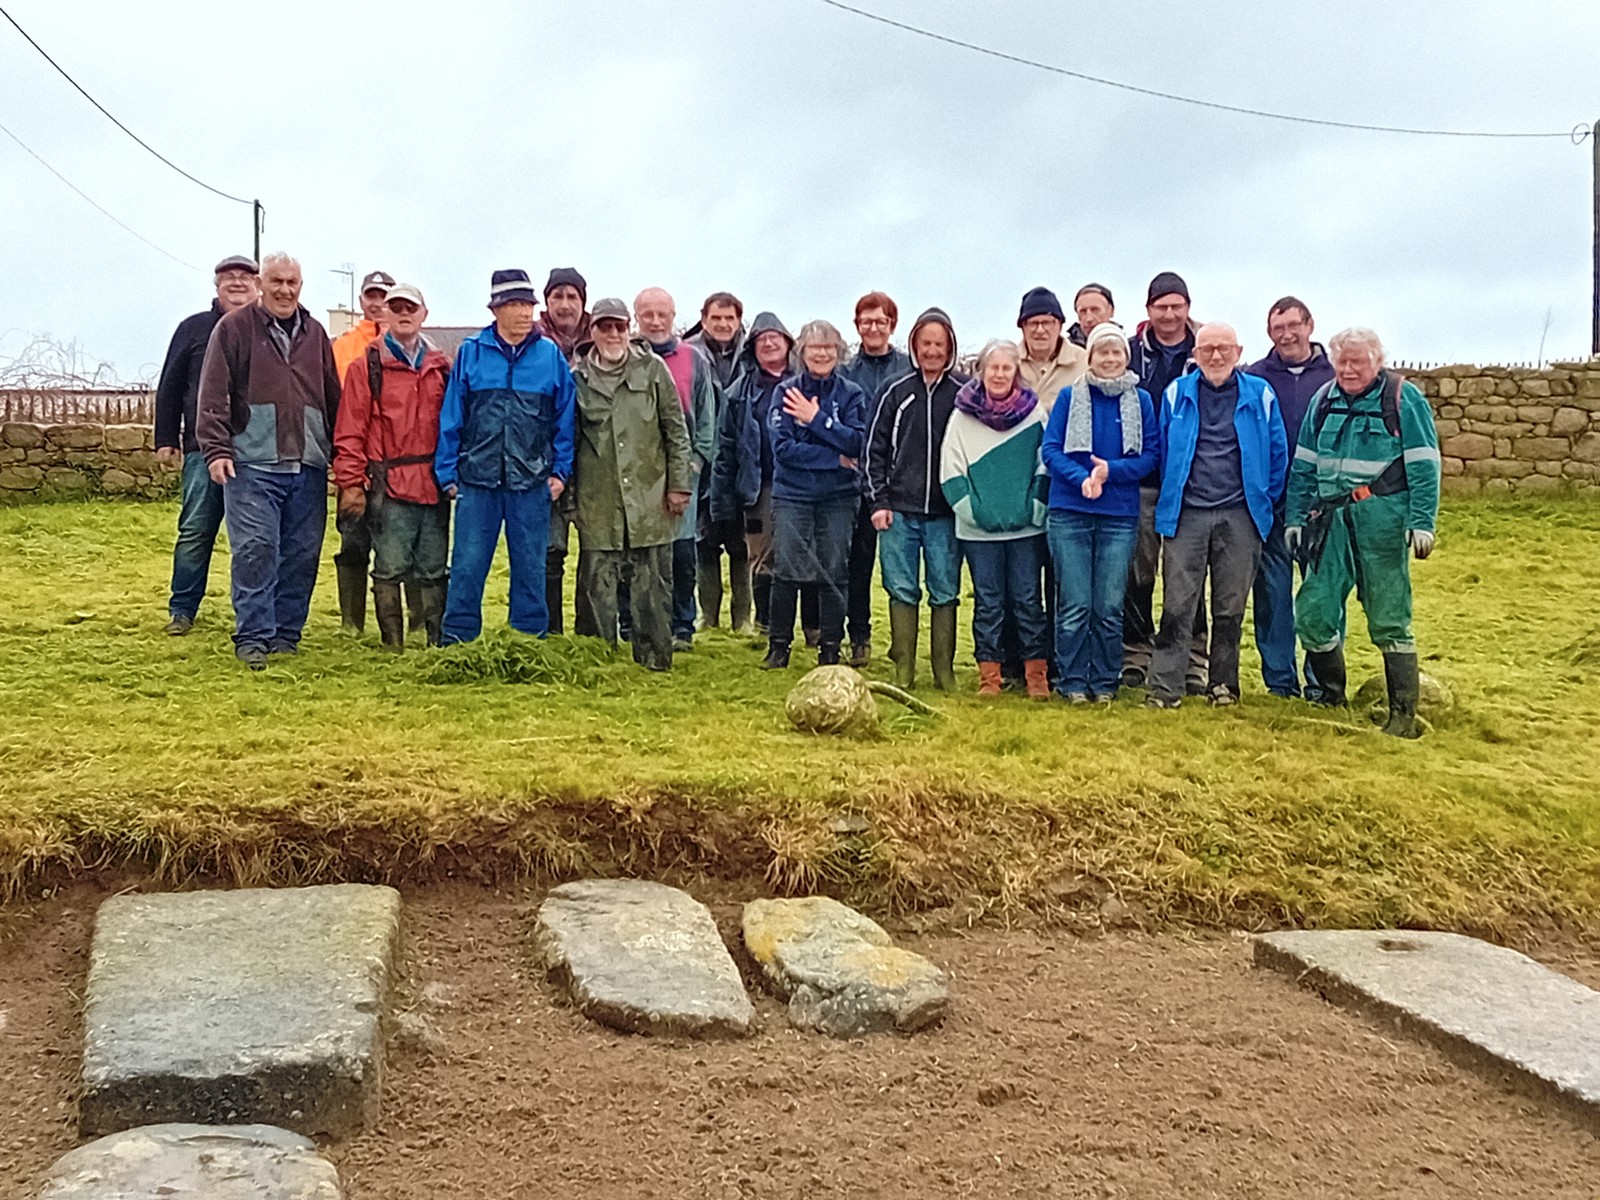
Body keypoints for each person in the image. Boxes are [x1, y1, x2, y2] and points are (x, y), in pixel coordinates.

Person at [1286, 328, 1440, 738]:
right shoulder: (1323, 400)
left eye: (1358, 361)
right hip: (1328, 522)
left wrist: (1422, 522)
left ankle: (1403, 716)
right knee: (1314, 613)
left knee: (1389, 616)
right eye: (1342, 361)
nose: (1349, 369)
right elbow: (1303, 465)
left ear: (1378, 360)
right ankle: (1332, 697)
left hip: (1384, 521)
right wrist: (1295, 518)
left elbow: (1425, 466)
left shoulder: (1404, 399)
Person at [196, 252, 341, 670]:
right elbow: (213, 393)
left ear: (301, 286)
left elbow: (333, 396)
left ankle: (286, 633)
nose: (284, 290)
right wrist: (217, 450)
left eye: (292, 283)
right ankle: (253, 635)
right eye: (276, 281)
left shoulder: (315, 334)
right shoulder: (234, 329)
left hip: (307, 463)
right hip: (251, 462)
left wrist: (339, 454)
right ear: (261, 284)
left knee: (302, 552)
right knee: (256, 549)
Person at [1146, 322, 1288, 709]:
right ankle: (1164, 688)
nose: (1216, 355)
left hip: (1240, 515)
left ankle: (1222, 685)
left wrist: (1260, 498)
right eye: (1207, 348)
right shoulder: (1177, 393)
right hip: (1187, 514)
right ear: (1195, 353)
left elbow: (1278, 454)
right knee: (1177, 604)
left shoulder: (1261, 395)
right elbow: (1162, 450)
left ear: (1239, 352)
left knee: (1229, 608)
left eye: (1224, 348)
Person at [434, 269, 577, 644]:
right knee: (467, 566)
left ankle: (527, 642)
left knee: (530, 567)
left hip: (531, 482)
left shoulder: (551, 358)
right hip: (476, 482)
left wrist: (560, 473)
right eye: (514, 304)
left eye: (528, 304)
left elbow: (565, 420)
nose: (523, 312)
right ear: (495, 309)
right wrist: (448, 474)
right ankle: (457, 642)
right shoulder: (471, 354)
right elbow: (452, 417)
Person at [570, 297, 694, 671]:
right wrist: (571, 501)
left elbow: (676, 430)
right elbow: (569, 442)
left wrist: (679, 486)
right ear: (592, 331)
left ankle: (655, 658)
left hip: (650, 494)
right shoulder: (577, 378)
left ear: (629, 329)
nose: (612, 334)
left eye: (619, 326)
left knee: (653, 583)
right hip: (598, 497)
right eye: (604, 327)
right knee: (596, 585)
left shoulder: (653, 370)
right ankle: (596, 660)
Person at [1041, 323, 1159, 702]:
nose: (1110, 359)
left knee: (1108, 606)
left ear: (1126, 357)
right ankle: (1074, 680)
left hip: (1119, 515)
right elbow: (1052, 450)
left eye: (1116, 352)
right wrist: (1082, 479)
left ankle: (1105, 681)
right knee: (1075, 603)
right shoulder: (1068, 398)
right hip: (1070, 510)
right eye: (1102, 352)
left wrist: (1111, 472)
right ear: (1089, 358)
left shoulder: (1141, 401)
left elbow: (1151, 457)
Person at [331, 283, 451, 651]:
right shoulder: (366, 365)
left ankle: (434, 640)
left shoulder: (443, 366)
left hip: (433, 482)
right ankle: (392, 645)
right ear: (384, 312)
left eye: (410, 307)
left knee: (433, 567)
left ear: (423, 314)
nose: (403, 313)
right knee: (389, 567)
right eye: (395, 306)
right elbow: (350, 429)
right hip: (389, 485)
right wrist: (351, 482)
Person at [153, 254, 260, 635]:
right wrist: (165, 437)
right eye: (228, 278)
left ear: (257, 286)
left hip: (256, 451)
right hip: (202, 447)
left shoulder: (266, 329)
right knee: (197, 530)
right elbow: (170, 385)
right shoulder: (194, 328)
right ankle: (182, 609)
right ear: (216, 286)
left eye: (245, 278)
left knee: (254, 539)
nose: (237, 283)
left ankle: (253, 615)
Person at [939, 340, 1050, 699]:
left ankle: (1037, 677)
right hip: (978, 533)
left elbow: (1044, 466)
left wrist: (1034, 508)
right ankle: (990, 677)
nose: (1000, 374)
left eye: (1007, 368)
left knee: (1028, 600)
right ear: (982, 371)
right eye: (993, 368)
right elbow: (950, 472)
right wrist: (976, 514)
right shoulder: (961, 417)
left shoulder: (1035, 414)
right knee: (988, 603)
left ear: (1016, 372)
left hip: (1026, 529)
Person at [866, 307, 965, 690]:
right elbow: (872, 449)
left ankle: (944, 670)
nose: (932, 351)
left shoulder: (963, 394)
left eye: (939, 344)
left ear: (950, 347)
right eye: (926, 343)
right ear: (914, 345)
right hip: (898, 512)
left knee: (946, 590)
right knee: (901, 588)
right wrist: (878, 502)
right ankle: (903, 669)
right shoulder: (894, 391)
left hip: (946, 513)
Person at [761, 320, 867, 669]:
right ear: (801, 352)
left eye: (829, 347)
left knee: (835, 570)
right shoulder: (785, 392)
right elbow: (784, 450)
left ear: (839, 352)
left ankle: (831, 649)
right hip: (792, 494)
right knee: (787, 569)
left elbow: (857, 443)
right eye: (814, 347)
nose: (821, 353)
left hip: (839, 497)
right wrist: (834, 456)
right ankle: (778, 647)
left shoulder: (852, 394)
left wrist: (817, 419)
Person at [1246, 296, 1336, 698]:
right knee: (1272, 595)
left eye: (1292, 325)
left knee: (1322, 593)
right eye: (1277, 329)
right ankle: (1280, 681)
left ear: (1310, 325)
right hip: (1274, 503)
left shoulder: (1335, 375)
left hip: (1325, 504)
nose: (1286, 335)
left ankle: (1321, 680)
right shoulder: (1255, 377)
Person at [1124, 270, 1205, 692]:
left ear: (1188, 308)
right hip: (1141, 481)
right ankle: (1135, 653)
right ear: (1149, 310)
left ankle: (1192, 658)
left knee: (1187, 576)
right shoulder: (1131, 353)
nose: (1169, 314)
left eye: (1177, 305)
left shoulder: (1207, 350)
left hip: (1192, 483)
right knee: (1138, 575)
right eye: (1161, 306)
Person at [634, 287, 718, 651]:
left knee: (682, 551)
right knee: (639, 552)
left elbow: (706, 417)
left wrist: (695, 463)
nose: (655, 321)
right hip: (637, 474)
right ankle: (635, 622)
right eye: (647, 314)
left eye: (662, 314)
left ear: (673, 316)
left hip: (682, 472)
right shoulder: (629, 357)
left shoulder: (694, 359)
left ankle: (682, 625)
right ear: (637, 317)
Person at [837, 290, 913, 666]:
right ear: (857, 327)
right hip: (857, 483)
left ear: (892, 326)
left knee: (901, 566)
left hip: (900, 483)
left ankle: (904, 643)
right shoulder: (845, 372)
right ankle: (860, 637)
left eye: (880, 321)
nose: (873, 328)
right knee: (858, 563)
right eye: (866, 322)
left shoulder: (907, 368)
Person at [710, 312, 792, 635]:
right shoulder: (737, 394)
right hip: (758, 489)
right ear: (752, 348)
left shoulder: (808, 382)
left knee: (804, 558)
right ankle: (765, 625)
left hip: (801, 486)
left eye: (775, 336)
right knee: (762, 558)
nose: (769, 343)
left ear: (787, 342)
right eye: (762, 339)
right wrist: (721, 505)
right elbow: (724, 452)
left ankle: (813, 631)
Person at [329, 270, 398, 636]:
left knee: (400, 546)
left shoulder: (412, 346)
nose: (378, 302)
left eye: (385, 295)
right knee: (353, 540)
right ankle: (350, 622)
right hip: (354, 458)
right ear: (361, 301)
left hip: (396, 463)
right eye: (372, 295)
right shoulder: (340, 347)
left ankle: (407, 626)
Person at [686, 292, 750, 633]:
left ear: (739, 320)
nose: (723, 325)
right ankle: (707, 617)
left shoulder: (752, 353)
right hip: (704, 457)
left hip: (743, 461)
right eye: (716, 318)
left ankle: (744, 618)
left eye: (730, 318)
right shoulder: (690, 352)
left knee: (742, 543)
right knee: (704, 542)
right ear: (704, 318)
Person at [537, 267, 592, 634]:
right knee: (550, 550)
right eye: (557, 296)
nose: (565, 304)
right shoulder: (532, 340)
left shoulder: (604, 336)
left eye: (572, 296)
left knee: (596, 551)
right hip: (547, 461)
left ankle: (591, 631)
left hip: (593, 463)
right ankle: (551, 629)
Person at [1016, 287, 1087, 415]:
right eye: (1033, 323)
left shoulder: (1084, 362)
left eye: (1047, 323)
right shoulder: (1007, 363)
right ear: (1023, 327)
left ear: (1059, 326)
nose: (1040, 330)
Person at [1066, 284, 1114, 348]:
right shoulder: (1063, 352)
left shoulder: (1129, 351)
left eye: (1095, 310)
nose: (1089, 319)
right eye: (1083, 311)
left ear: (1111, 311)